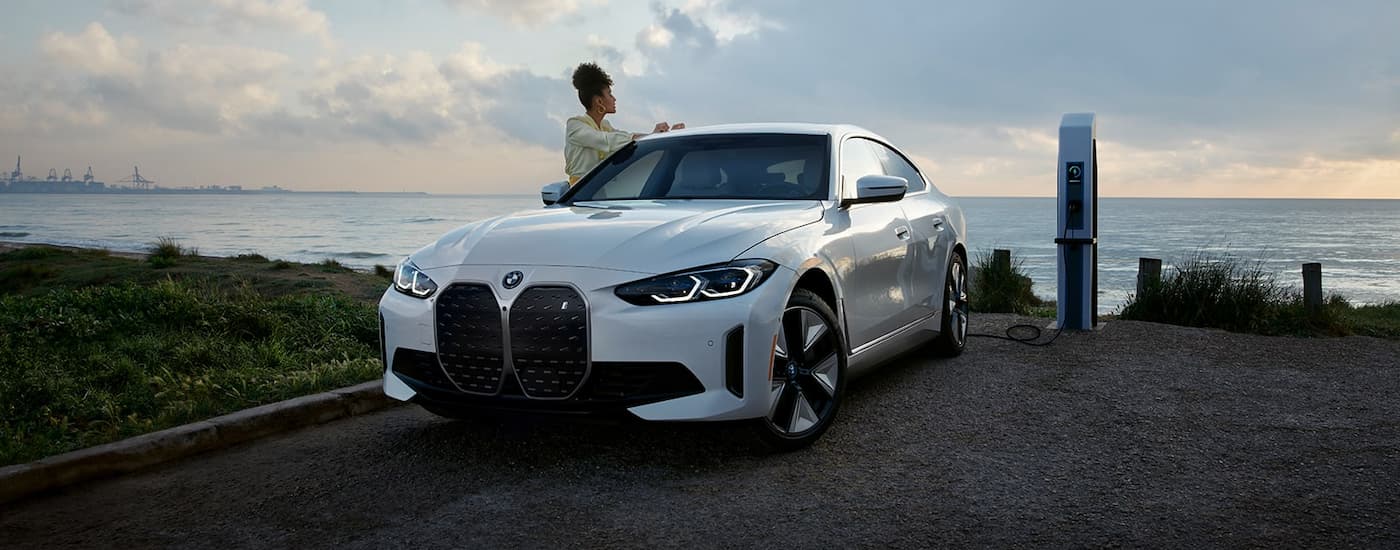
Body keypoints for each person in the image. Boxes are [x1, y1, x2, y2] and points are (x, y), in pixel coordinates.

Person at [564, 62, 683, 186]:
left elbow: (623, 139)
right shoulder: (575, 125)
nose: (614, 99)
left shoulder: (605, 126)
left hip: (600, 189)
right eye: (609, 94)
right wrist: (652, 136)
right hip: (578, 191)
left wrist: (659, 135)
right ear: (599, 101)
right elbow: (607, 141)